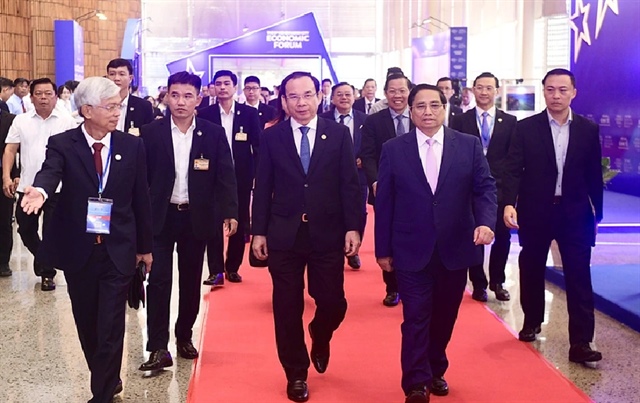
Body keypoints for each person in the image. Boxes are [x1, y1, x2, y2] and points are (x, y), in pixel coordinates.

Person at [19, 76, 154, 403]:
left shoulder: (131, 146)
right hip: (80, 251)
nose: (116, 113)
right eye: (110, 107)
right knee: (87, 325)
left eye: (118, 106)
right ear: (87, 110)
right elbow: (51, 171)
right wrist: (40, 189)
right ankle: (107, 376)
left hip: (118, 249)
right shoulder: (64, 143)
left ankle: (102, 394)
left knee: (110, 325)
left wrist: (145, 248)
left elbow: (141, 199)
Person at [375, 83, 496, 403]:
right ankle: (415, 382)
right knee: (415, 316)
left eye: (434, 106)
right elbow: (384, 202)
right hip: (410, 248)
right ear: (410, 111)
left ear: (445, 109)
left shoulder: (468, 145)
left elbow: (484, 188)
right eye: (420, 107)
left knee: (444, 315)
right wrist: (383, 250)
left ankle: (435, 367)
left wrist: (485, 222)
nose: (427, 112)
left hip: (455, 247)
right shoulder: (393, 148)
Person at [251, 71, 361, 402]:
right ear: (283, 101)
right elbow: (263, 186)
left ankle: (320, 332)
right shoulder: (272, 137)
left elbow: (349, 184)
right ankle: (296, 372)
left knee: (332, 301)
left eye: (308, 94)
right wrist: (258, 232)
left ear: (319, 97)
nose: (302, 102)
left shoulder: (338, 134)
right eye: (294, 96)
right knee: (287, 305)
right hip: (284, 234)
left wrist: (353, 226)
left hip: (326, 232)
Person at [502, 68, 604, 365]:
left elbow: (593, 175)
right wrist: (509, 203)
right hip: (536, 210)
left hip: (575, 213)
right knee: (531, 267)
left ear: (574, 92)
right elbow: (512, 169)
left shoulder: (588, 129)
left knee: (579, 276)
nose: (556, 95)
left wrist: (597, 213)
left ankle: (581, 342)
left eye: (562, 90)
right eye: (550, 89)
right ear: (543, 91)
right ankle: (532, 321)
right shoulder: (526, 128)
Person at [138, 71, 238, 371]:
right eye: (175, 95)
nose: (180, 101)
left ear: (199, 98)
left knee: (191, 280)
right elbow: (139, 180)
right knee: (157, 281)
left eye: (187, 95)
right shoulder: (150, 133)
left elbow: (225, 174)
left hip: (197, 217)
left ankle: (184, 335)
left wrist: (231, 211)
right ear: (166, 96)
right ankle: (157, 346)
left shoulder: (212, 132)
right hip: (160, 218)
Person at [2, 77, 77, 291]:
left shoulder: (66, 122)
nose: (43, 98)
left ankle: (47, 272)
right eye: (39, 94)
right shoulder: (21, 121)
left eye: (48, 94)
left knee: (52, 232)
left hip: (59, 189)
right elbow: (10, 149)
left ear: (56, 96)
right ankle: (44, 257)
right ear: (31, 97)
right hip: (27, 187)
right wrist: (6, 177)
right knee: (25, 229)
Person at [450, 72, 517, 302]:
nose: (484, 92)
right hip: (468, 188)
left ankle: (498, 281)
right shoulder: (460, 120)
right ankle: (478, 283)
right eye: (480, 87)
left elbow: (513, 160)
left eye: (489, 88)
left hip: (499, 188)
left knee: (502, 236)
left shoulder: (509, 121)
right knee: (474, 235)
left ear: (496, 91)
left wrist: (511, 195)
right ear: (473, 90)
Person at [198, 70, 261, 287]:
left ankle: (233, 267)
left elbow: (258, 147)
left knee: (240, 221)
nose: (222, 87)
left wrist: (258, 176)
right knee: (213, 223)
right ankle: (216, 270)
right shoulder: (204, 114)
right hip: (212, 177)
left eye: (227, 83)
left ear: (235, 87)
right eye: (218, 84)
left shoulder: (249, 114)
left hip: (241, 177)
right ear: (214, 88)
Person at [361, 73, 414, 307]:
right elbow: (368, 154)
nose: (398, 95)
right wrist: (374, 181)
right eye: (392, 90)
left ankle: (412, 283)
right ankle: (392, 288)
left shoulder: (419, 116)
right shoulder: (374, 121)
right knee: (388, 235)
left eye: (402, 90)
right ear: (385, 93)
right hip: (386, 188)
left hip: (417, 189)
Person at [319, 82, 368, 270]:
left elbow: (371, 146)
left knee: (358, 211)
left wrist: (363, 158)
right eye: (339, 94)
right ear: (332, 98)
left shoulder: (365, 120)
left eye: (348, 94)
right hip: (327, 176)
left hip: (358, 175)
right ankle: (332, 248)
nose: (344, 98)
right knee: (331, 211)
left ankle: (353, 249)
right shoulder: (322, 119)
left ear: (355, 97)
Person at [106, 58, 154, 133]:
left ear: (130, 78)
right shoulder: (99, 104)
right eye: (112, 74)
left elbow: (149, 136)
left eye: (121, 74)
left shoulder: (144, 106)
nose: (116, 78)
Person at [0, 106, 17, 277]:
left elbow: (16, 151)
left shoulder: (10, 119)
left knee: (4, 220)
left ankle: (3, 261)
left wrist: (16, 175)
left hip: (4, 176)